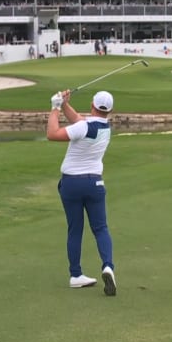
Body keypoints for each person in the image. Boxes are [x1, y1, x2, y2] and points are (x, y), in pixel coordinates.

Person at [47, 89, 117, 296]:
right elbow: (78, 120)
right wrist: (65, 104)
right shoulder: (105, 128)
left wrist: (54, 107)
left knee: (75, 229)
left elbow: (52, 134)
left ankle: (76, 275)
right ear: (110, 110)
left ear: (92, 105)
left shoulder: (83, 127)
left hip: (71, 184)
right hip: (95, 184)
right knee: (101, 228)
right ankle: (108, 266)